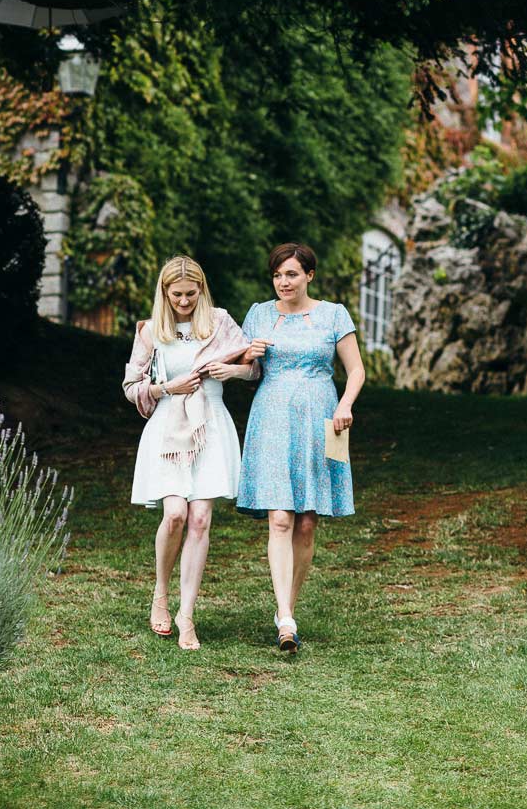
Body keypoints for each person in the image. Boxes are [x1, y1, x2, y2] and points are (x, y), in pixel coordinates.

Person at [121, 255, 259, 651]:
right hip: (169, 426)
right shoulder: (151, 331)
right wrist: (167, 388)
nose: (184, 301)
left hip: (211, 422)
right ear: (164, 293)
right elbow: (132, 387)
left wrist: (233, 371)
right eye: (176, 294)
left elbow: (252, 367)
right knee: (176, 513)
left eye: (191, 293)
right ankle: (160, 594)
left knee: (200, 518)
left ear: (202, 290)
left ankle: (187, 615)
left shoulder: (219, 323)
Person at [233, 241, 363, 653]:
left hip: (323, 415)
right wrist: (246, 357)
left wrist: (345, 404)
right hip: (271, 416)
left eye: (290, 274)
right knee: (280, 518)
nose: (282, 282)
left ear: (309, 275)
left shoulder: (333, 314)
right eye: (276, 275)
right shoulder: (258, 314)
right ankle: (285, 617)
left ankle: (287, 606)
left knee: (308, 520)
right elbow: (248, 371)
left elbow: (356, 370)